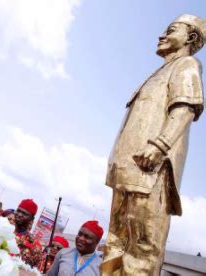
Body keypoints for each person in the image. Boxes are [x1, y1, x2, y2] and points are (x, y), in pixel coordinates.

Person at [102, 15, 206, 275]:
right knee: (115, 241)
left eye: (170, 30)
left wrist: (160, 146)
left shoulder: (187, 64)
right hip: (128, 168)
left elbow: (185, 108)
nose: (161, 35)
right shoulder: (159, 72)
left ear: (191, 38)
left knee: (142, 249)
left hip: (151, 168)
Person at [14, 199, 42, 268]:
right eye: (18, 210)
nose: (19, 214)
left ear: (32, 219)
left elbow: (32, 270)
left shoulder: (35, 245)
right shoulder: (3, 230)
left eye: (24, 213)